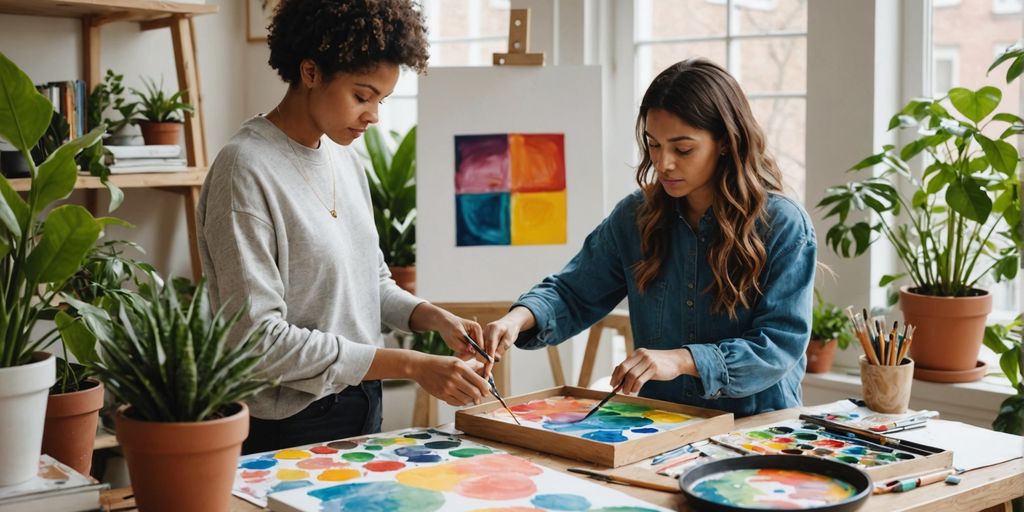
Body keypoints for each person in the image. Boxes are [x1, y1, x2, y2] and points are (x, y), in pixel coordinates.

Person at [197, 0, 491, 454]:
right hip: (288, 423)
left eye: (382, 100)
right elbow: (258, 341)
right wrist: (411, 365)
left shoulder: (345, 158)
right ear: (311, 72)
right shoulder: (245, 170)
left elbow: (369, 282)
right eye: (362, 95)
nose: (374, 115)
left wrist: (434, 318)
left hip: (360, 402)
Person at [482, 58, 816, 417]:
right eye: (653, 145)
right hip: (662, 424)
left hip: (756, 430)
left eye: (682, 149)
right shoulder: (635, 217)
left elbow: (779, 345)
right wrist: (517, 320)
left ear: (724, 142)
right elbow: (572, 292)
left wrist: (684, 360)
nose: (663, 163)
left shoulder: (782, 224)